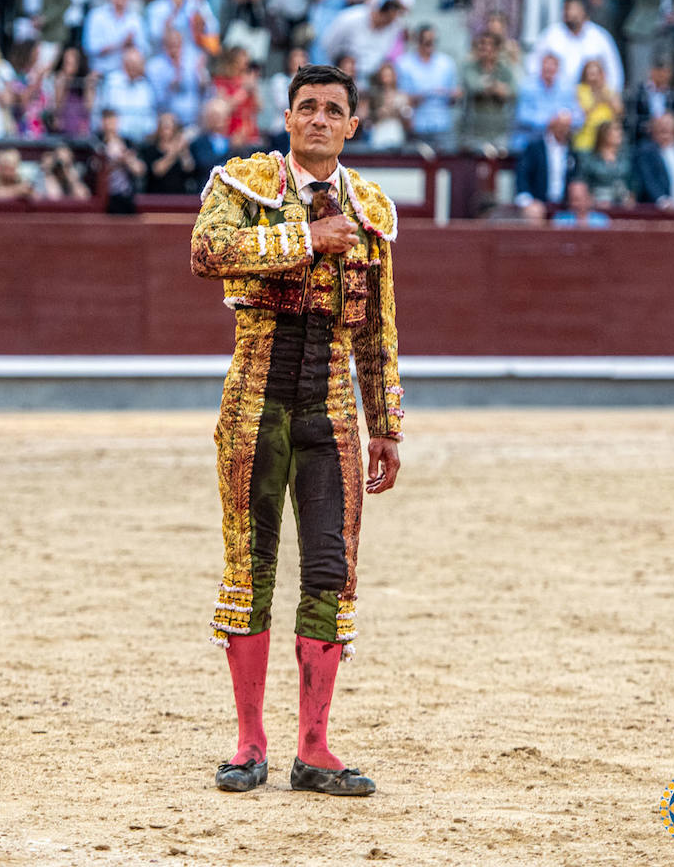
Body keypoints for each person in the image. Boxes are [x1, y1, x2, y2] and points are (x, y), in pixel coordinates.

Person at [191, 62, 402, 798]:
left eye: (332, 109)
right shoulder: (243, 183)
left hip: (333, 410)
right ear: (287, 118)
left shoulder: (371, 208)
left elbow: (376, 329)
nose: (318, 118)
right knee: (249, 567)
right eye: (306, 106)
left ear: (352, 125)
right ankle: (250, 741)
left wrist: (387, 425)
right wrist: (308, 238)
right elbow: (205, 251)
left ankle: (314, 747)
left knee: (329, 573)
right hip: (255, 399)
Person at [527, 0, 624, 96]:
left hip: (591, 99)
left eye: (575, 10)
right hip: (556, 97)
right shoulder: (551, 34)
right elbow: (533, 63)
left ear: (584, 13)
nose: (570, 13)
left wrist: (612, 95)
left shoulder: (600, 37)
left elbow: (613, 71)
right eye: (567, 9)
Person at [395, 25, 461, 149]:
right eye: (426, 42)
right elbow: (401, 97)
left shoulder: (447, 63)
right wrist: (425, 95)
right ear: (418, 41)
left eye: (433, 42)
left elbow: (455, 96)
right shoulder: (404, 64)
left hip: (442, 124)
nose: (430, 45)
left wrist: (452, 94)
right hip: (416, 125)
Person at [319, 0, 406, 84]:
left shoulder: (394, 26)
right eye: (388, 19)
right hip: (342, 73)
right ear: (382, 13)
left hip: (370, 80)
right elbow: (328, 43)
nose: (391, 23)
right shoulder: (351, 18)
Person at [510, 50, 579, 153]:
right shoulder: (527, 86)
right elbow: (521, 116)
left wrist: (566, 119)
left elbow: (579, 117)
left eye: (552, 67)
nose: (549, 70)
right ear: (541, 67)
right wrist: (549, 122)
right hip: (529, 143)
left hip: (557, 146)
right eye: (546, 67)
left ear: (558, 69)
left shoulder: (566, 88)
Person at [514, 108, 575, 217]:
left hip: (564, 205)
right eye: (561, 126)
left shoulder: (571, 149)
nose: (564, 130)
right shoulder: (535, 147)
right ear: (551, 125)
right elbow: (522, 174)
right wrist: (527, 200)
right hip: (538, 202)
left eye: (567, 127)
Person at [459, 30, 515, 148]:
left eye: (489, 44)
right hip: (475, 132)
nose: (485, 48)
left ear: (496, 49)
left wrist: (487, 85)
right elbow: (475, 87)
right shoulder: (470, 67)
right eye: (482, 44)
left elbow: (512, 92)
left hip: (499, 131)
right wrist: (497, 86)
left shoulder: (505, 69)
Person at [572, 58, 621, 153]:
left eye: (596, 74)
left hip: (607, 141)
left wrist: (606, 96)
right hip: (586, 140)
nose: (593, 78)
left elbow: (619, 111)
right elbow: (579, 116)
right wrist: (597, 99)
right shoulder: (579, 90)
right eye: (590, 74)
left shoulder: (608, 90)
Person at [144, 111, 198, 193]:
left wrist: (184, 151)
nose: (167, 129)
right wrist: (175, 152)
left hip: (179, 196)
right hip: (156, 196)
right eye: (164, 126)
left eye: (170, 126)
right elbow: (157, 170)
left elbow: (189, 169)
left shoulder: (182, 147)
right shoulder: (150, 148)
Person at [628, 59, 674, 144]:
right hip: (644, 138)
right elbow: (632, 118)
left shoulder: (672, 95)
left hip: (667, 139)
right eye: (660, 73)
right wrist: (649, 126)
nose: (664, 76)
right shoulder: (639, 93)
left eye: (666, 73)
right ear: (652, 72)